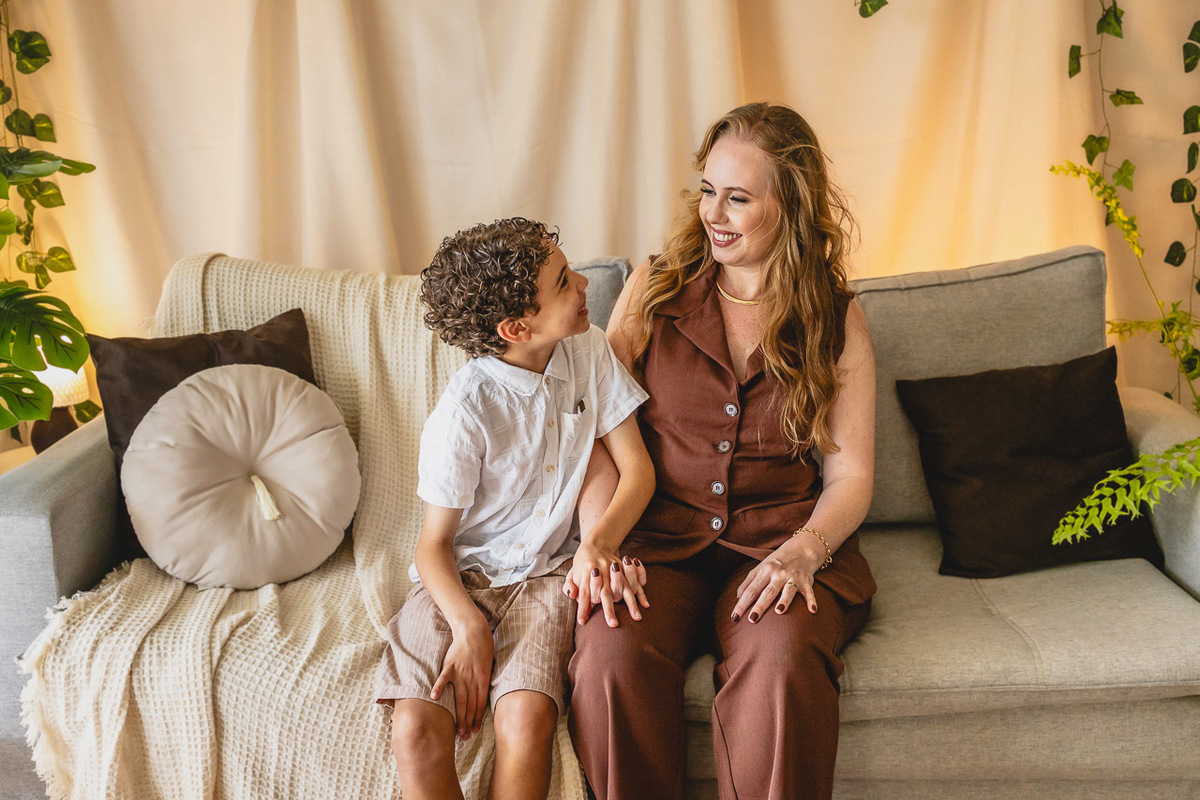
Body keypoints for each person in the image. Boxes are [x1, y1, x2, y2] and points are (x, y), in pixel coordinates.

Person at [568, 103, 878, 800]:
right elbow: (596, 434)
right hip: (658, 541)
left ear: (790, 205)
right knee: (609, 658)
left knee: (783, 662)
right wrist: (602, 538)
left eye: (738, 197)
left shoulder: (835, 317)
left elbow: (852, 472)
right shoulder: (656, 288)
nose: (715, 212)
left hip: (777, 547)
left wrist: (806, 548)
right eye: (709, 190)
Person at [375, 217, 654, 800]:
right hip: (461, 578)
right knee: (414, 727)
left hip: (548, 578)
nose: (583, 282)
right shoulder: (464, 413)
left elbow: (637, 471)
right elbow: (432, 547)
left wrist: (599, 546)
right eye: (562, 281)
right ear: (515, 327)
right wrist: (468, 623)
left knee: (527, 720)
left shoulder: (590, 351)